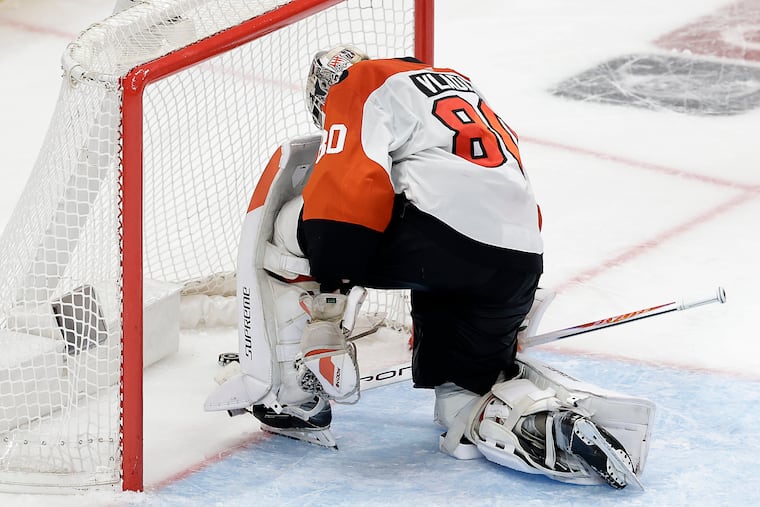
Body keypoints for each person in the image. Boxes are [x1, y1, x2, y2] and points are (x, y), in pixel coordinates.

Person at [207, 45, 654, 489]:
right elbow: (513, 203)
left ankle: (293, 394)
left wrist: (329, 303)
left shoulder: (357, 83)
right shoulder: (458, 86)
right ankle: (541, 424)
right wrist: (509, 312)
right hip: (517, 263)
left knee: (291, 224)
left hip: (442, 244)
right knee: (460, 403)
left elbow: (348, 186)